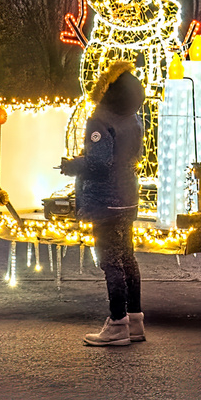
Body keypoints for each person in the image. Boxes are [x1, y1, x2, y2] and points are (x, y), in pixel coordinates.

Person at [62, 59, 146, 347]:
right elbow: (135, 154)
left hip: (105, 199)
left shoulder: (101, 119)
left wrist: (73, 166)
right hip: (127, 195)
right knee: (127, 257)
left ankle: (117, 324)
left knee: (110, 261)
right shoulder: (134, 118)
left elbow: (99, 163)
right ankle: (135, 321)